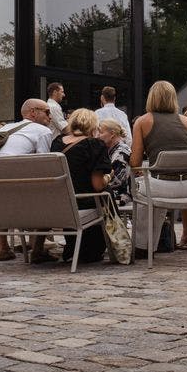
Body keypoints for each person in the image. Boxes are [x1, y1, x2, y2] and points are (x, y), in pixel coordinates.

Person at [130, 81, 187, 252]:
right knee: (152, 186)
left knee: (143, 193)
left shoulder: (142, 122)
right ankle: (158, 242)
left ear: (151, 98)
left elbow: (135, 164)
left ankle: (143, 247)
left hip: (161, 187)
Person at [0, 98, 57, 262]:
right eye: (47, 112)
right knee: (51, 194)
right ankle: (38, 250)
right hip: (16, 187)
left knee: (4, 192)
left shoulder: (6, 128)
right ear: (33, 112)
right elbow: (43, 165)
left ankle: (4, 247)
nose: (51, 117)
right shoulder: (42, 131)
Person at [46, 108, 110, 265]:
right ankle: (94, 248)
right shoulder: (94, 145)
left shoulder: (57, 143)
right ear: (93, 126)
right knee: (107, 193)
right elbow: (97, 185)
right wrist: (109, 176)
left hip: (60, 204)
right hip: (82, 203)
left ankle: (72, 247)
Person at [97, 118, 132, 207]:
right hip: (112, 193)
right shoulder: (112, 149)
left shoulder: (121, 152)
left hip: (119, 195)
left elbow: (115, 182)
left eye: (100, 132)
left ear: (112, 134)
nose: (97, 136)